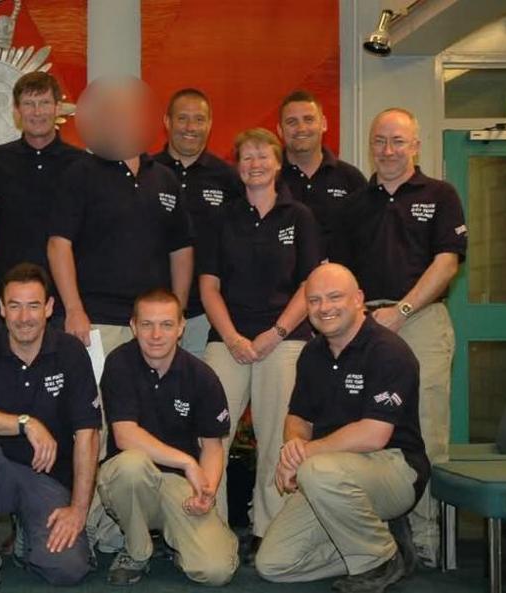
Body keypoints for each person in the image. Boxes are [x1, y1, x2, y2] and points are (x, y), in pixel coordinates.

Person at [330, 107, 466, 564]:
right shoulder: (353, 204)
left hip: (421, 321)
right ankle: (378, 537)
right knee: (365, 428)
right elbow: (341, 274)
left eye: (398, 141)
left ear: (416, 146)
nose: (388, 151)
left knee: (427, 429)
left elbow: (447, 262)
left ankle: (428, 538)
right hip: (363, 328)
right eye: (380, 141)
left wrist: (403, 309)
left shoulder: (441, 195)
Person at [255, 263, 428, 593]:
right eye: (315, 300)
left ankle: (379, 559)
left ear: (358, 299)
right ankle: (384, 543)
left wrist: (305, 455)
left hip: (394, 467)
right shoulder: (311, 353)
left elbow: (373, 434)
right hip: (331, 475)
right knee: (273, 564)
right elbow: (298, 417)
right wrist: (292, 448)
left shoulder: (388, 351)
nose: (324, 308)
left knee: (318, 471)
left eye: (335, 297)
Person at [198, 128, 321, 559]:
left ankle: (270, 531)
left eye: (262, 156)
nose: (254, 164)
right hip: (228, 339)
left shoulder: (299, 216)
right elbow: (208, 286)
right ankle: (210, 528)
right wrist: (232, 337)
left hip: (284, 339)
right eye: (246, 157)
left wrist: (277, 333)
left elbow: (310, 285)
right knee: (211, 434)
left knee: (278, 439)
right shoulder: (222, 217)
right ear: (238, 165)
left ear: (277, 162)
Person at [0, 263, 100, 592]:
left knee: (68, 569)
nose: (24, 316)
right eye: (14, 305)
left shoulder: (71, 352)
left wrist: (77, 509)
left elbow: (88, 433)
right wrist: (24, 423)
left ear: (49, 308)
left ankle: (25, 540)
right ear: (1, 309)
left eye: (33, 305)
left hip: (48, 481)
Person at [97, 289, 238, 586]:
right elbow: (125, 436)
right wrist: (187, 462)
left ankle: (182, 543)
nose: (156, 334)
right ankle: (136, 551)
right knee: (132, 465)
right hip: (130, 480)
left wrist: (207, 490)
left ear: (181, 327)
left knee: (216, 571)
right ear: (134, 326)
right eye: (147, 324)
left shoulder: (201, 376)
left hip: (177, 486)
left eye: (166, 324)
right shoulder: (119, 363)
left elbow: (212, 446)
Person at [48, 76, 193, 355]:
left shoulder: (164, 178)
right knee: (100, 399)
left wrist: (177, 312)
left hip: (153, 323)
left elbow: (181, 249)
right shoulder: (80, 174)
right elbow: (59, 244)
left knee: (151, 398)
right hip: (97, 320)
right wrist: (74, 310)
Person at [0, 71, 84, 329]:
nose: (37, 112)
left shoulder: (81, 165)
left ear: (58, 108)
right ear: (16, 111)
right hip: (7, 299)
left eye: (44, 103)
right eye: (28, 104)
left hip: (64, 302)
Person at [153, 88, 243, 357]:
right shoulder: (147, 172)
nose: (190, 127)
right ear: (167, 122)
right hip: (153, 310)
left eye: (199, 119)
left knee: (200, 394)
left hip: (208, 314)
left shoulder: (228, 178)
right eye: (182, 118)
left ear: (210, 124)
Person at [276, 90, 366, 250]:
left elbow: (366, 238)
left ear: (323, 124)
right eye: (292, 122)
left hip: (336, 274)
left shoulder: (351, 179)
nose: (301, 128)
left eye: (309, 119)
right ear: (280, 130)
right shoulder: (269, 179)